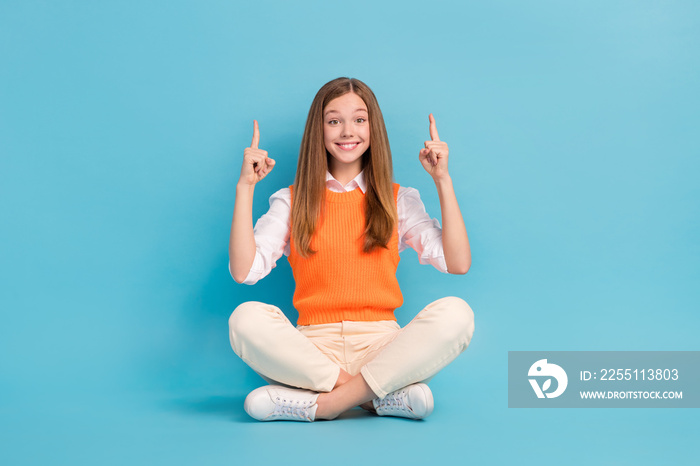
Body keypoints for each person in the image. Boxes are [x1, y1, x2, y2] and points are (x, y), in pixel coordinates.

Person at [228, 77, 475, 422]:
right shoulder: (291, 201)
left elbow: (458, 263)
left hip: (382, 349)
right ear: (320, 129)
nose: (347, 131)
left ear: (373, 128)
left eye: (359, 120)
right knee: (245, 318)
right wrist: (245, 187)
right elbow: (243, 271)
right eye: (334, 121)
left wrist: (442, 180)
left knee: (457, 313)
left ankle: (323, 405)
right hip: (313, 352)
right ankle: (372, 398)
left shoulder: (398, 199)